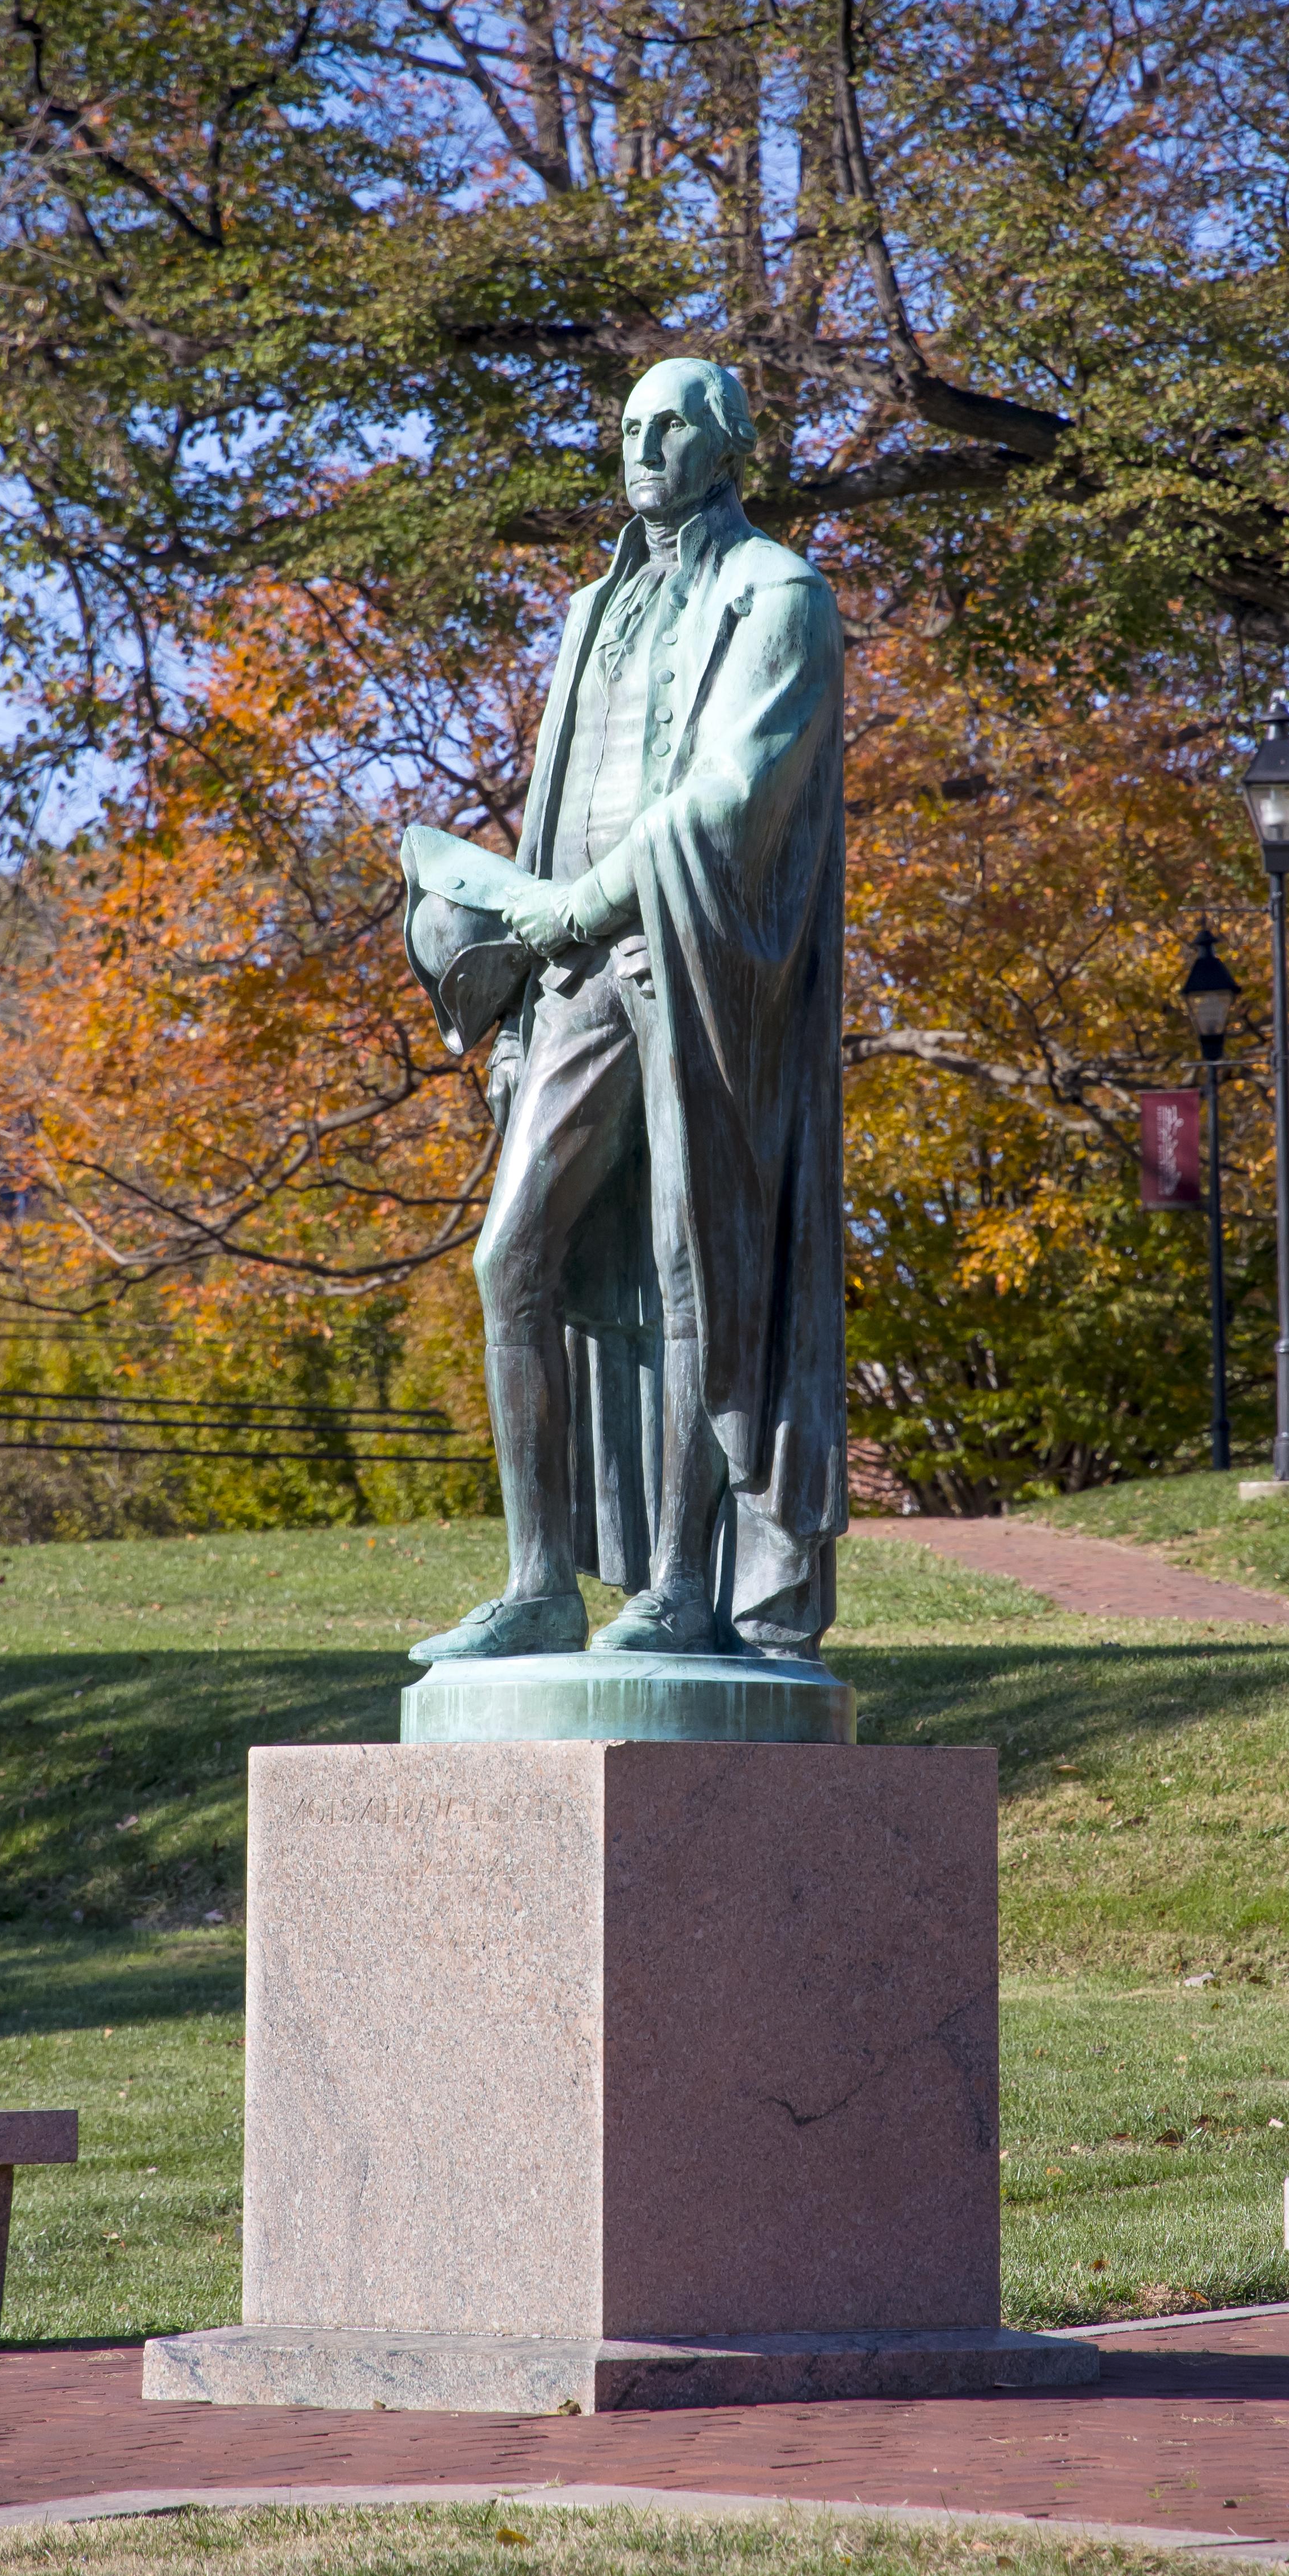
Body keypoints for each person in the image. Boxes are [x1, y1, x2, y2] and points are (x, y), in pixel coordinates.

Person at [403, 355, 847, 1662]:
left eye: (669, 428)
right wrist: (517, 952)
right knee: (510, 1255)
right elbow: (560, 801)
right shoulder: (591, 607)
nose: (642, 447)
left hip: (697, 969)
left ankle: (676, 1588)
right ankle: (538, 1580)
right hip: (572, 969)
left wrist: (583, 900)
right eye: (628, 427)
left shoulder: (779, 597)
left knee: (684, 1267)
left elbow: (730, 798)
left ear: (724, 450)